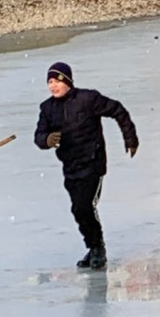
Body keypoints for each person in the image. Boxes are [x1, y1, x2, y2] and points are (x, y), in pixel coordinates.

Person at [34, 62, 139, 270]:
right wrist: (46, 140)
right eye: (49, 82)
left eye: (56, 81)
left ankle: (98, 248)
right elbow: (38, 136)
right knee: (78, 210)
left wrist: (131, 138)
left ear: (67, 81)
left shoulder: (88, 99)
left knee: (84, 206)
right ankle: (92, 247)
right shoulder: (47, 108)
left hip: (93, 163)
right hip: (70, 166)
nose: (52, 86)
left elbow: (118, 110)